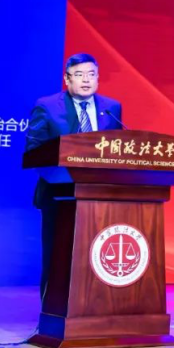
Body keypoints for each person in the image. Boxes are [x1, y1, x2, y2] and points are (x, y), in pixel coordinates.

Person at [25, 53, 123, 302]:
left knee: (95, 255)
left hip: (100, 196)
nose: (86, 80)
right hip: (59, 196)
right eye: (79, 75)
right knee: (57, 255)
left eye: (91, 75)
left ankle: (93, 307)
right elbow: (33, 151)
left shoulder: (111, 108)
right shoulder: (47, 106)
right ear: (67, 79)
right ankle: (52, 308)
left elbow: (117, 150)